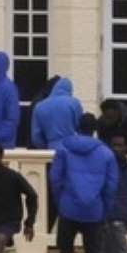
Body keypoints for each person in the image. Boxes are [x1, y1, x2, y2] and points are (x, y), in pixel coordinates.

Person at [50, 114, 118, 253]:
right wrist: (104, 208)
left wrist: (60, 201)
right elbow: (111, 186)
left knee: (64, 246)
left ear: (76, 127)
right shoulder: (105, 153)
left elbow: (55, 178)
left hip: (69, 208)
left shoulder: (63, 148)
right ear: (94, 129)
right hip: (94, 210)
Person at [30, 76, 82, 230]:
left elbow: (36, 136)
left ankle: (46, 228)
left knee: (50, 193)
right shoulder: (74, 103)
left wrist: (47, 147)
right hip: (72, 153)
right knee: (71, 192)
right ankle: (69, 229)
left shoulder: (40, 106)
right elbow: (79, 127)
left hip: (50, 154)